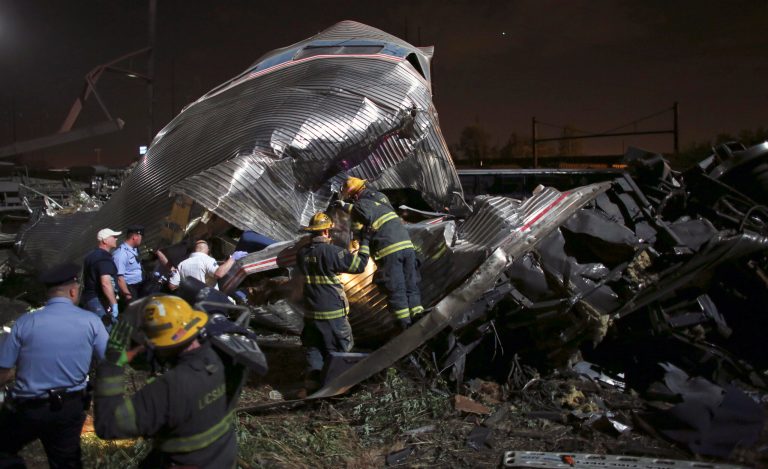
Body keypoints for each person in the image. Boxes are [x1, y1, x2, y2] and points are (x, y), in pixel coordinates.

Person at [94, 295, 245, 469]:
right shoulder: (222, 358)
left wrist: (111, 364)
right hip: (223, 459)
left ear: (158, 344)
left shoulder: (167, 389)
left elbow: (107, 425)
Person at [0, 263, 108, 468]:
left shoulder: (25, 322)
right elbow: (111, 361)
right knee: (66, 461)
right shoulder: (91, 321)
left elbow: (4, 371)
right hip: (70, 407)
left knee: (4, 449)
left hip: (29, 407)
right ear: (73, 291)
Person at [337, 176, 423, 330]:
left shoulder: (360, 205)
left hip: (389, 250)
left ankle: (404, 325)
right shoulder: (381, 197)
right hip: (406, 245)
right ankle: (418, 315)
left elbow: (361, 219)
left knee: (396, 288)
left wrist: (345, 207)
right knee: (411, 284)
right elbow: (373, 212)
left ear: (354, 196)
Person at [296, 212, 370, 390]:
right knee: (340, 352)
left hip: (311, 314)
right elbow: (359, 265)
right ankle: (340, 389)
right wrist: (365, 242)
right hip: (333, 315)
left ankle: (313, 388)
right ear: (326, 232)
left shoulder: (302, 253)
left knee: (314, 350)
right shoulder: (332, 252)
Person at [82, 228, 121, 325]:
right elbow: (105, 283)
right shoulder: (103, 257)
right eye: (113, 237)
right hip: (98, 301)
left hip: (90, 299)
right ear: (104, 240)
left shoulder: (91, 255)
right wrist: (114, 303)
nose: (116, 239)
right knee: (107, 329)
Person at [169, 239, 244, 290]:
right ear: (208, 250)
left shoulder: (182, 264)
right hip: (207, 301)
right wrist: (233, 258)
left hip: (188, 301)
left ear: (194, 250)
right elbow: (219, 274)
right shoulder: (208, 260)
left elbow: (172, 286)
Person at [113, 225, 145, 305]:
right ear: (135, 237)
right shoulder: (121, 254)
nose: (141, 239)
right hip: (130, 288)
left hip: (139, 286)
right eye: (141, 237)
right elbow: (119, 278)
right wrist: (128, 296)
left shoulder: (134, 249)